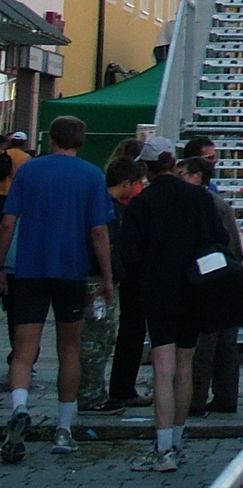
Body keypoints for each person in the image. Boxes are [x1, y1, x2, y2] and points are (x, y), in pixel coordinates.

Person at [0, 116, 115, 461]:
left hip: (31, 269)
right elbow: (98, 232)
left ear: (51, 138)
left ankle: (20, 407)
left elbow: (8, 222)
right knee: (69, 349)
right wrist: (107, 277)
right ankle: (64, 430)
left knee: (24, 350)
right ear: (81, 141)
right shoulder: (92, 175)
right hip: (71, 270)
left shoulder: (29, 171)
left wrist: (1, 265)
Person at [117, 138, 221, 472]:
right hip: (195, 289)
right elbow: (217, 241)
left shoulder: (142, 204)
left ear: (145, 168)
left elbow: (128, 256)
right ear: (173, 162)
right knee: (184, 367)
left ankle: (163, 449)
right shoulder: (200, 198)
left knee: (162, 369)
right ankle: (177, 439)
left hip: (158, 292)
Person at [179, 157, 243, 416]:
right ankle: (226, 396)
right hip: (227, 276)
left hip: (211, 277)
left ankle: (196, 399)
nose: (181, 178)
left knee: (205, 344)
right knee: (226, 344)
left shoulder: (201, 203)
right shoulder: (218, 202)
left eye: (184, 173)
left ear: (198, 176)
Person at [78, 158, 143, 416]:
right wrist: (109, 276)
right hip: (96, 279)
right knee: (97, 338)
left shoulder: (97, 202)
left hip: (88, 275)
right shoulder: (111, 209)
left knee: (96, 337)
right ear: (126, 182)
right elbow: (104, 241)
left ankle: (91, 391)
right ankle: (92, 394)